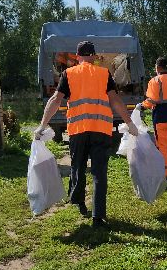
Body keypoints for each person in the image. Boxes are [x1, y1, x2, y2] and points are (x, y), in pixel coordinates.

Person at [35, 40, 138, 225]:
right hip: (101, 130)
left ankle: (79, 201)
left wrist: (42, 125)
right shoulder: (104, 73)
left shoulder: (69, 73)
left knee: (78, 167)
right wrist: (129, 122)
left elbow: (55, 100)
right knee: (99, 173)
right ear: (93, 56)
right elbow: (115, 100)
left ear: (78, 56)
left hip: (78, 130)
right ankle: (98, 216)